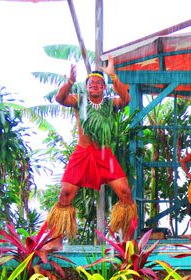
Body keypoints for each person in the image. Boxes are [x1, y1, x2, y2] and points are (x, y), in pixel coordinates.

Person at [46, 54, 137, 245]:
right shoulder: (79, 101)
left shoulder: (110, 103)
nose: (94, 85)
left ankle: (127, 239)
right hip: (83, 153)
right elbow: (60, 98)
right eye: (91, 83)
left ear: (104, 87)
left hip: (104, 154)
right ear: (86, 87)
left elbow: (126, 99)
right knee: (65, 194)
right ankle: (55, 239)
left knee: (125, 192)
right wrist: (70, 81)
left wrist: (113, 76)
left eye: (98, 82)